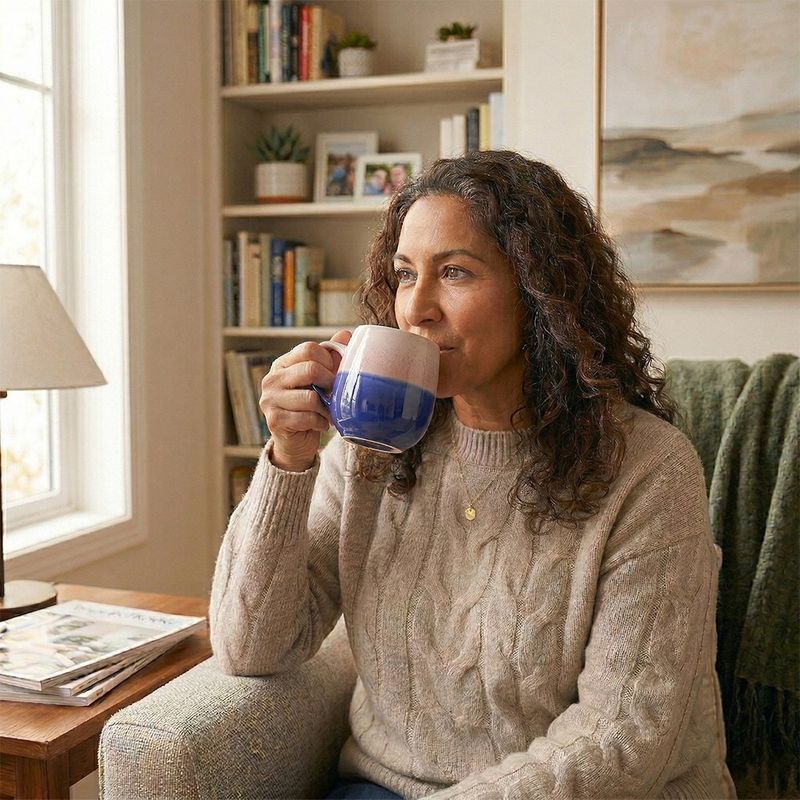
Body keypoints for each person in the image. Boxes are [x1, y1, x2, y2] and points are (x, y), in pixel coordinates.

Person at [210, 151, 736, 799]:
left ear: (539, 291)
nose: (416, 308)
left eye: (455, 272)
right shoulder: (369, 449)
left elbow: (622, 739)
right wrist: (288, 459)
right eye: (406, 274)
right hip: (389, 788)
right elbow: (251, 649)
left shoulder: (648, 468)